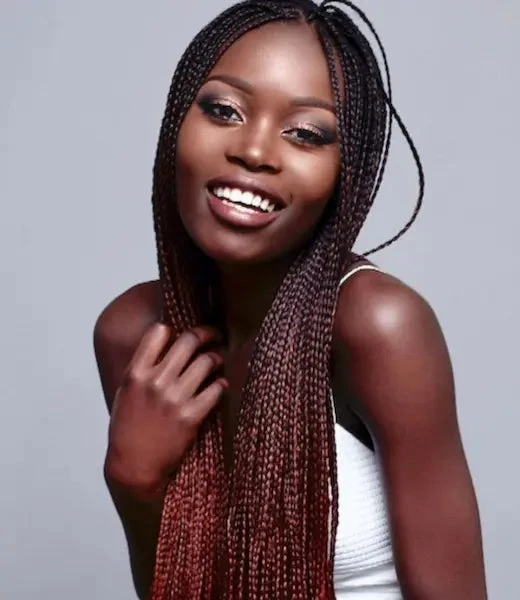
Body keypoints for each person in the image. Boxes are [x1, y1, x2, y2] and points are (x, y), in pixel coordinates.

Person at [93, 1, 487, 598]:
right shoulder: (134, 334)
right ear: (177, 122)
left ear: (343, 172)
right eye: (224, 110)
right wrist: (134, 483)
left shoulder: (378, 326)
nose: (254, 151)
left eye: (306, 134)